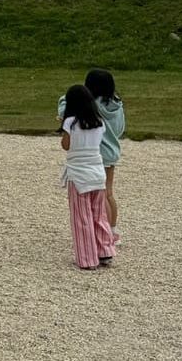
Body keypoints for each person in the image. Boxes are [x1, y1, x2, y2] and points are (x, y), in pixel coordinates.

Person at [58, 69, 126, 244]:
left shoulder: (89, 105)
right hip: (112, 153)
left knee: (98, 195)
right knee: (108, 193)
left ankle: (104, 234)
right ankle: (113, 229)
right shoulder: (116, 106)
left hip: (95, 154)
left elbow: (65, 107)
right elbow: (119, 130)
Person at [59, 84, 117, 270]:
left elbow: (66, 146)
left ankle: (87, 258)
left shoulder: (70, 122)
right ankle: (105, 251)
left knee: (81, 216)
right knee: (98, 214)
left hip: (78, 174)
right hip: (97, 172)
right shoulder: (100, 122)